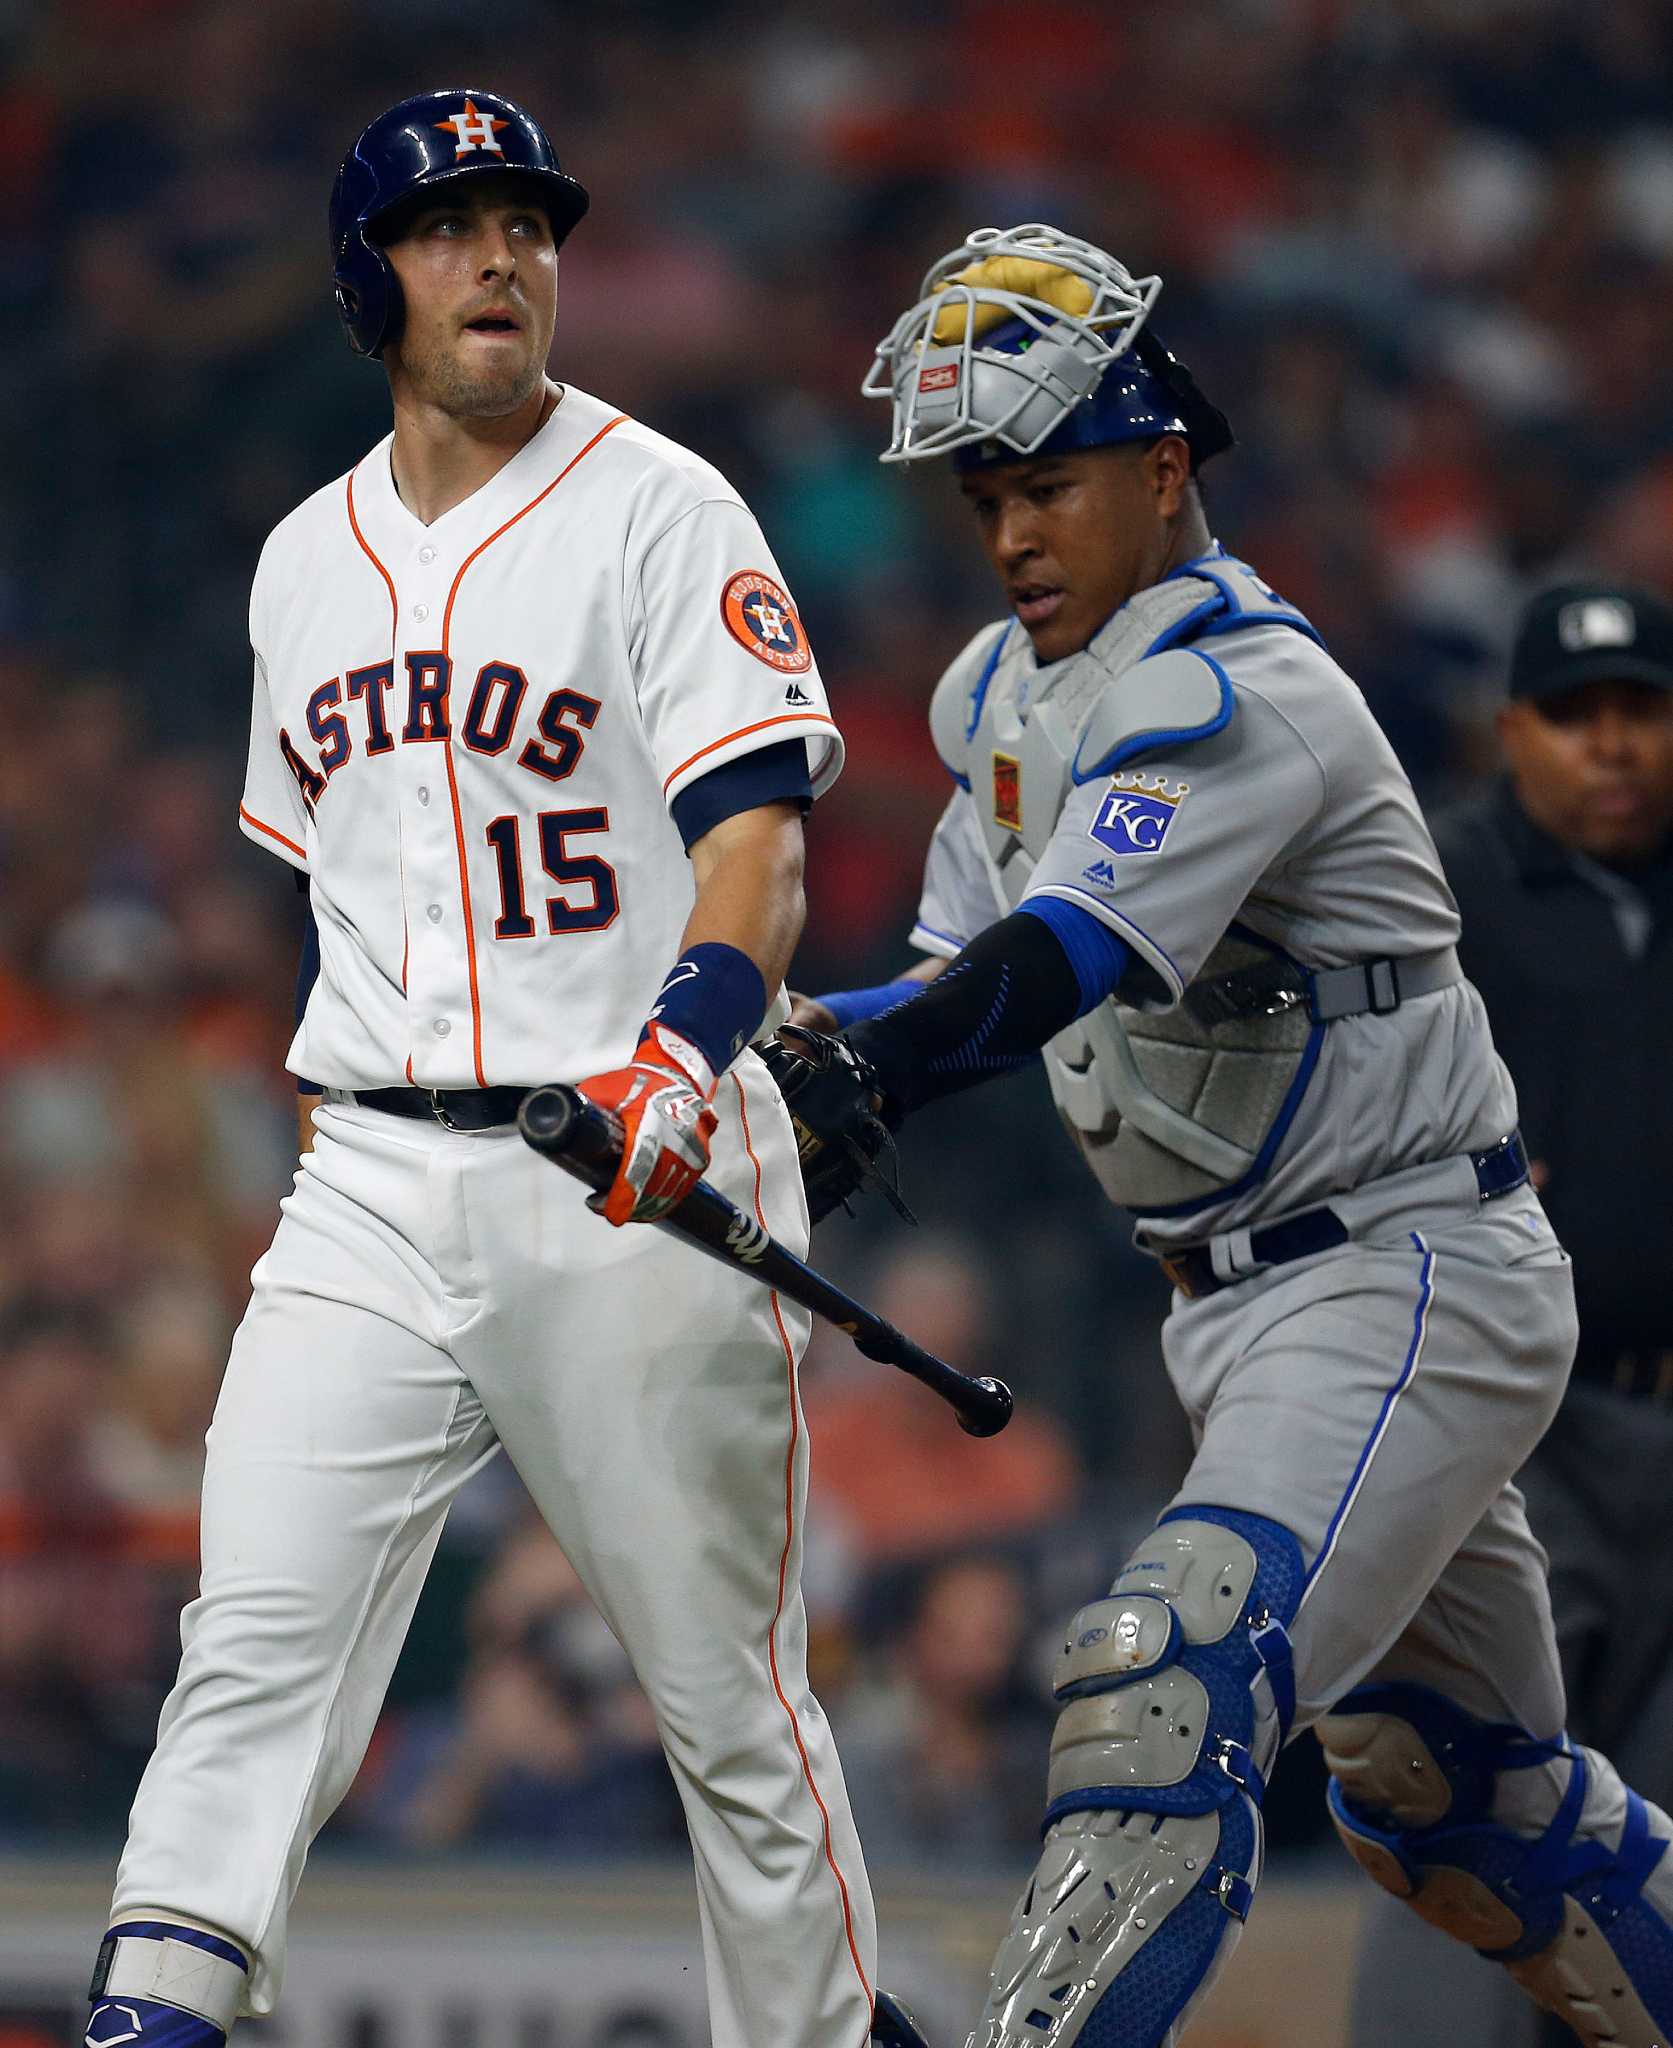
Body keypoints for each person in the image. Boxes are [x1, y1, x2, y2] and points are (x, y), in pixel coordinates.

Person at [780, 225, 1673, 2046]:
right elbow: (938, 979)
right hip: (1249, 1306)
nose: (1012, 534)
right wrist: (751, 1054)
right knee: (1465, 1809)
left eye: (1049, 485)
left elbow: (1048, 968)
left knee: (1164, 1677)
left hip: (1400, 1269)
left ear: (1163, 470)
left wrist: (852, 1065)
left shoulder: (1234, 691)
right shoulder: (1002, 697)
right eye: (985, 495)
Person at [84, 90, 878, 2048]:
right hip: (369, 1173)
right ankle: (152, 2019)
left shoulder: (663, 505)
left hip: (633, 1153)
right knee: (251, 1648)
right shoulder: (299, 565)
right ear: (373, 277)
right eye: (449, 226)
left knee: (726, 1706)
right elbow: (327, 912)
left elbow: (758, 842)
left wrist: (687, 1054)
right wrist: (299, 1179)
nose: (501, 254)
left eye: (525, 220)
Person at [1348, 579, 1673, 2048]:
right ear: (1511, 731)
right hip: (1507, 1431)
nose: (1611, 748)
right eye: (1574, 716)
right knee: (1475, 1808)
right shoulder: (1441, 887)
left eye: (1639, 713)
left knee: (1652, 1864)